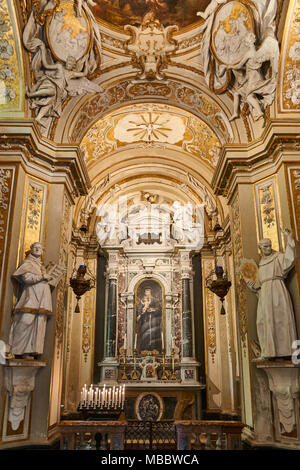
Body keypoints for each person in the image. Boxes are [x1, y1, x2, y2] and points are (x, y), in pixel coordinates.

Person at [247, 229, 297, 359]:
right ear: (260, 248)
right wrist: (253, 286)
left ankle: (285, 351)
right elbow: (259, 284)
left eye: (269, 245)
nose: (268, 248)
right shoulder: (261, 263)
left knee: (280, 319)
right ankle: (267, 352)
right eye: (265, 246)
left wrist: (288, 238)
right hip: (264, 294)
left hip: (277, 291)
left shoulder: (278, 257)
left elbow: (290, 259)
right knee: (263, 321)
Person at [9, 242, 53, 358]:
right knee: (25, 321)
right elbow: (27, 278)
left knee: (37, 325)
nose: (38, 249)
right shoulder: (28, 263)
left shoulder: (40, 266)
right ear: (31, 249)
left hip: (42, 298)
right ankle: (15, 349)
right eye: (36, 247)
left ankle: (28, 351)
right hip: (31, 296)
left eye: (40, 248)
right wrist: (42, 277)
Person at [136, 286, 162, 353]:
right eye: (146, 291)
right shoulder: (141, 301)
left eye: (148, 290)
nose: (147, 292)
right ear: (144, 292)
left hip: (153, 319)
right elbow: (138, 310)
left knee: (153, 332)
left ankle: (154, 348)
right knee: (145, 332)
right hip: (145, 319)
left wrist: (153, 310)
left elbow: (159, 309)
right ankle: (144, 348)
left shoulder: (155, 300)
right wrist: (143, 309)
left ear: (151, 291)